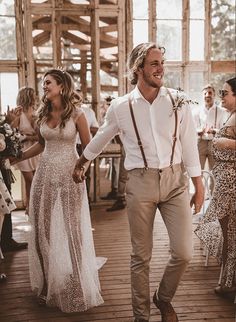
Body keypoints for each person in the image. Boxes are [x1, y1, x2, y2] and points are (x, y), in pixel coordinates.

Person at [73, 42, 204, 322]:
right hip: (139, 181)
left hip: (175, 181)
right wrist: (82, 161)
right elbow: (102, 137)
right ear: (138, 68)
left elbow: (189, 144)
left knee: (184, 252)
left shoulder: (178, 100)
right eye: (154, 63)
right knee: (140, 257)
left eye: (162, 63)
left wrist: (199, 184)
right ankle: (140, 316)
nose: (161, 68)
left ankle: (163, 298)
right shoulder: (121, 107)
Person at [12, 69, 104, 312]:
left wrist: (82, 167)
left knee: (72, 229)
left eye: (48, 83)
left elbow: (89, 147)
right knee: (42, 228)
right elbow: (42, 145)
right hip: (44, 175)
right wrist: (16, 157)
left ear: (62, 86)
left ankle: (78, 285)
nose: (44, 86)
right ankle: (45, 284)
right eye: (43, 83)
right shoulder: (42, 114)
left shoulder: (77, 113)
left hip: (70, 176)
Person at [195, 77, 236, 297]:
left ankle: (229, 284)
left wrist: (224, 142)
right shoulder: (231, 115)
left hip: (231, 184)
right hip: (225, 182)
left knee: (231, 235)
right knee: (227, 234)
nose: (221, 96)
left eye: (225, 92)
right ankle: (228, 281)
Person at [11, 87, 40, 215]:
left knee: (36, 180)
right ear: (29, 97)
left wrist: (27, 136)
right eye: (34, 96)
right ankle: (31, 206)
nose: (37, 98)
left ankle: (31, 207)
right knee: (30, 180)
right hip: (23, 151)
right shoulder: (19, 114)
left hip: (37, 149)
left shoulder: (37, 114)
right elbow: (12, 133)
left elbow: (41, 137)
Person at [192, 84, 227, 171]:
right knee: (199, 171)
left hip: (214, 143)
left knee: (214, 171)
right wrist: (198, 131)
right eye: (205, 93)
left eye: (210, 93)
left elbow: (224, 130)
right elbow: (192, 129)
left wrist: (214, 131)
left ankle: (212, 185)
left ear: (214, 95)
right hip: (200, 143)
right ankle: (200, 185)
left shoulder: (221, 111)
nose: (207, 95)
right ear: (202, 96)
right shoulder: (196, 111)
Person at [76, 102, 99, 205]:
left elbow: (96, 128)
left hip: (83, 145)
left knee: (85, 173)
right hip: (72, 145)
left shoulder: (89, 112)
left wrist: (82, 127)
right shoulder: (66, 111)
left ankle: (86, 200)